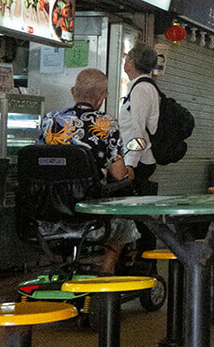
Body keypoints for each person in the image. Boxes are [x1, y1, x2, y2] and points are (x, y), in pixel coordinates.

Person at [39, 68, 139, 275]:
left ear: (73, 91)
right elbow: (119, 174)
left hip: (47, 213)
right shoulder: (106, 124)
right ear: (104, 96)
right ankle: (107, 270)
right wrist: (130, 171)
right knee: (125, 217)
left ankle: (60, 267)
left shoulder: (50, 120)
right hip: (89, 215)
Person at [120, 42, 161, 195]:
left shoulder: (141, 89)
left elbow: (138, 129)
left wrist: (130, 163)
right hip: (138, 158)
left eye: (126, 57)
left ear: (131, 62)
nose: (125, 61)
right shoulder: (140, 87)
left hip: (139, 160)